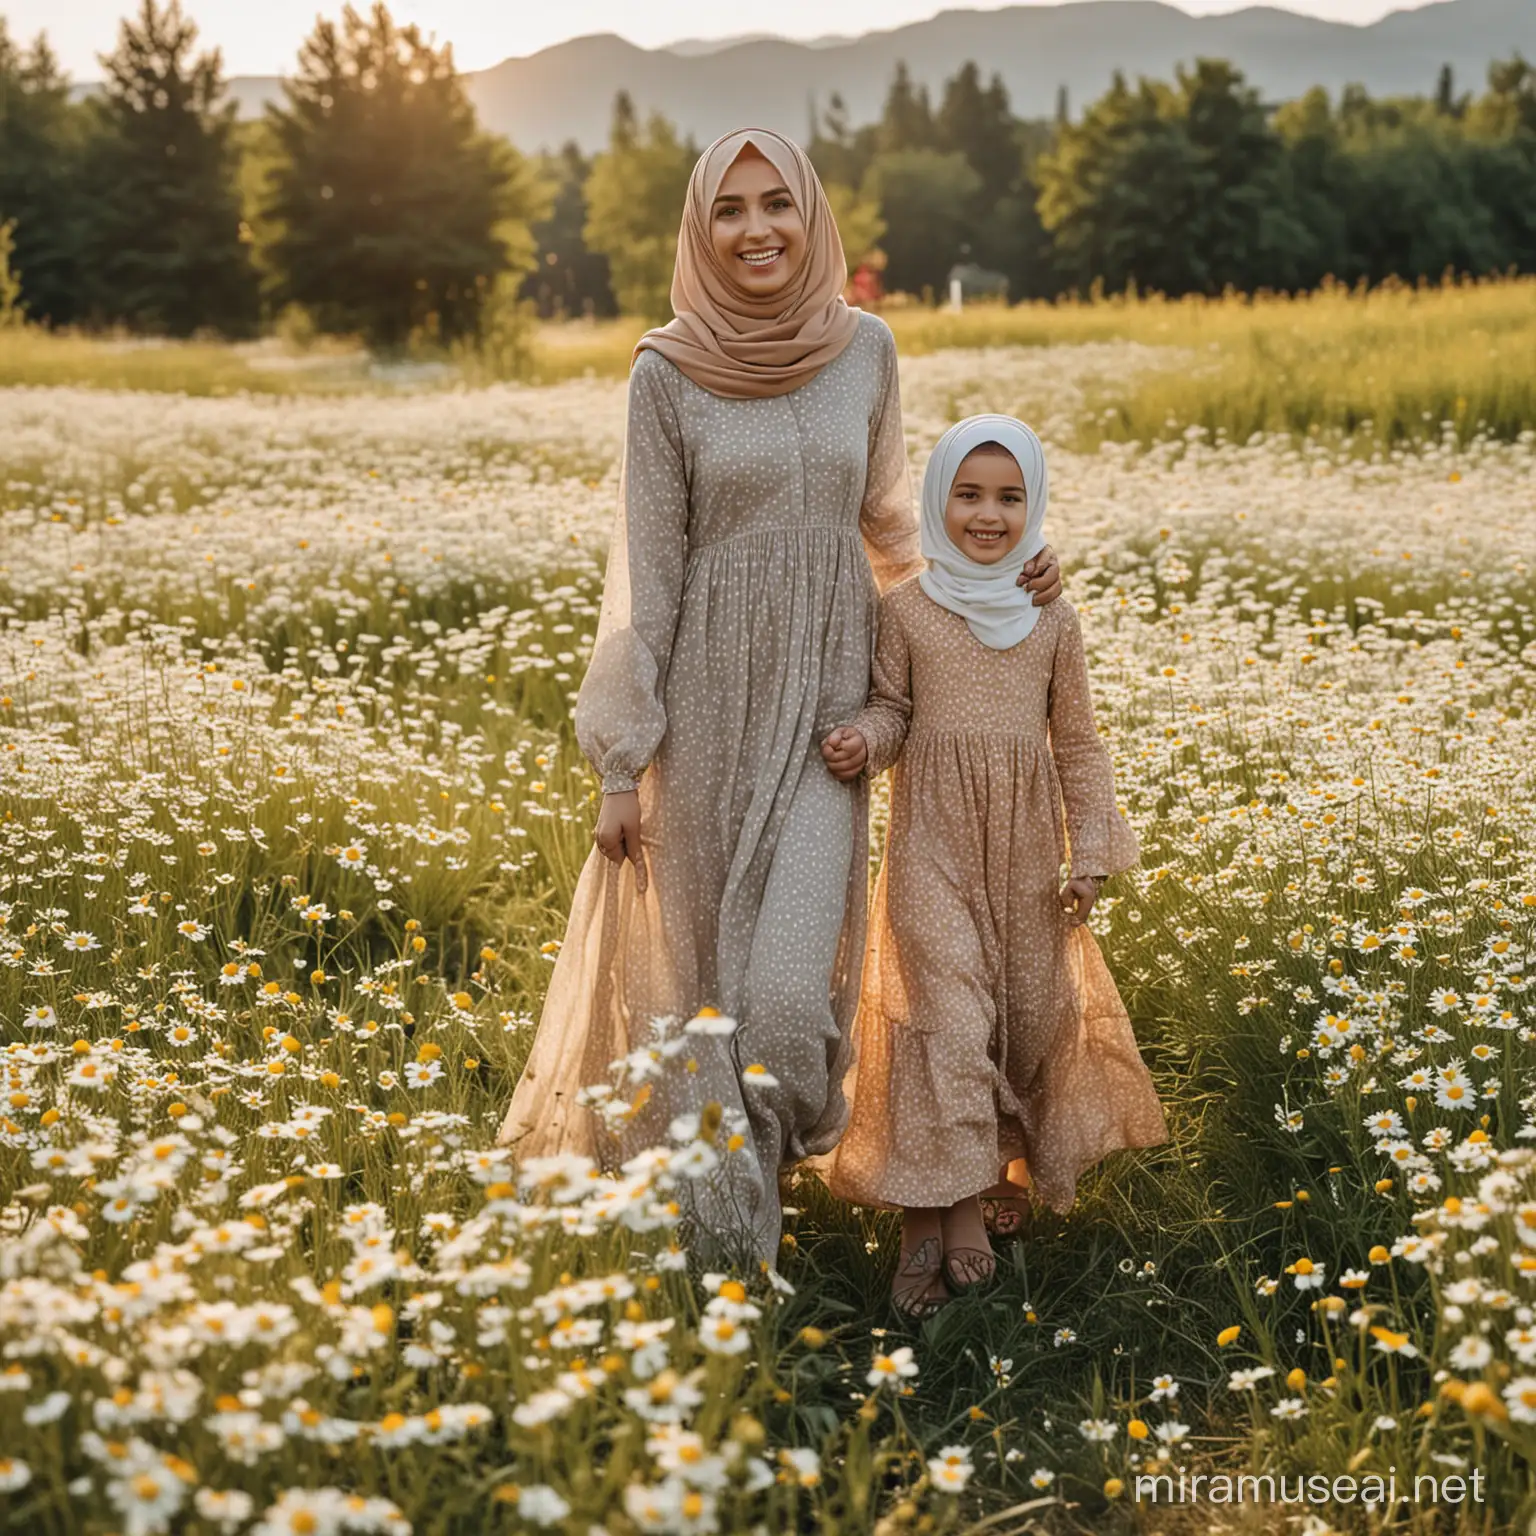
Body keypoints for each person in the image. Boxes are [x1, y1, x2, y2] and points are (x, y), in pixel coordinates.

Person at [496, 129, 1063, 1269]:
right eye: (729, 211)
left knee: (787, 1009)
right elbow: (649, 575)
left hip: (827, 717)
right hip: (703, 715)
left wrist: (1005, 576)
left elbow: (891, 520)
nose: (756, 229)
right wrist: (621, 760)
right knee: (703, 992)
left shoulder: (867, 350)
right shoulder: (664, 371)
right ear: (700, 231)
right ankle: (727, 1260)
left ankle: (762, 1178)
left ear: (811, 217)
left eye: (777, 205)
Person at [818, 415, 1167, 1318]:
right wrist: (865, 737)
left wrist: (1089, 852)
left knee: (1024, 1016)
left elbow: (1079, 744)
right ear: (938, 501)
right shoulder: (907, 610)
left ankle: (950, 1198)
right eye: (968, 494)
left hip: (1025, 855)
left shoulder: (1053, 618)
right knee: (947, 1018)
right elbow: (893, 708)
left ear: (1036, 505)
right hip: (932, 846)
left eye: (1010, 497)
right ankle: (949, 1213)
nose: (988, 514)